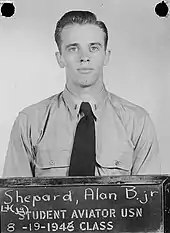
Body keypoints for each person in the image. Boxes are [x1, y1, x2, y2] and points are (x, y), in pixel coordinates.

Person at [2, 10, 161, 177]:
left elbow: (147, 200)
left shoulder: (137, 123)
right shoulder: (29, 122)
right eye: (73, 48)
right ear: (60, 58)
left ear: (106, 56)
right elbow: (15, 199)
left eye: (94, 48)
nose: (84, 57)